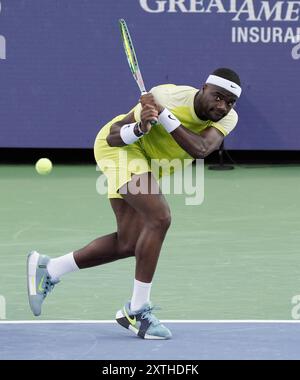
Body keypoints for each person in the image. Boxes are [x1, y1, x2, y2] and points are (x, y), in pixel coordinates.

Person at [27, 67, 242, 340]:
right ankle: (137, 310)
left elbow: (200, 149)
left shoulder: (226, 118)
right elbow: (113, 136)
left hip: (151, 164)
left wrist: (163, 116)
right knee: (160, 218)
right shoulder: (167, 96)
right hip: (123, 151)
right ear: (204, 88)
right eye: (218, 97)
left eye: (230, 102)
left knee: (129, 243)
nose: (223, 106)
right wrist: (141, 127)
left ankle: (51, 267)